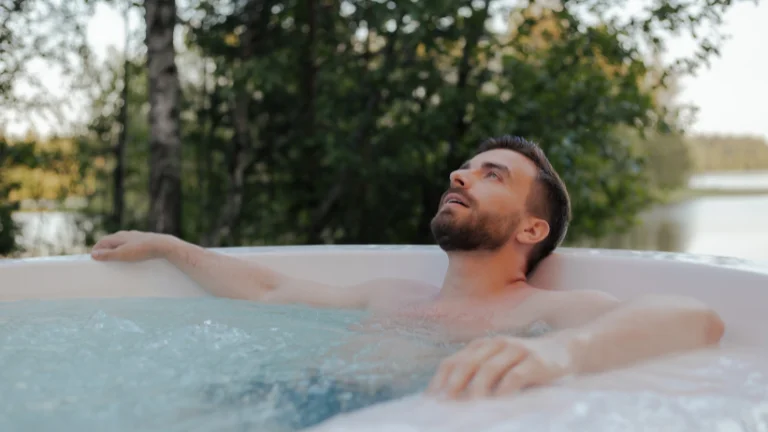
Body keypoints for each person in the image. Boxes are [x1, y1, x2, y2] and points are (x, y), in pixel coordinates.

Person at [91, 135, 724, 404]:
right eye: (465, 168)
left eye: (491, 174)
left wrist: (566, 354)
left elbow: (696, 318)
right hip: (276, 401)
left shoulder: (546, 314)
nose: (460, 175)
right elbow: (270, 288)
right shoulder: (390, 293)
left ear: (532, 230)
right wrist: (169, 246)